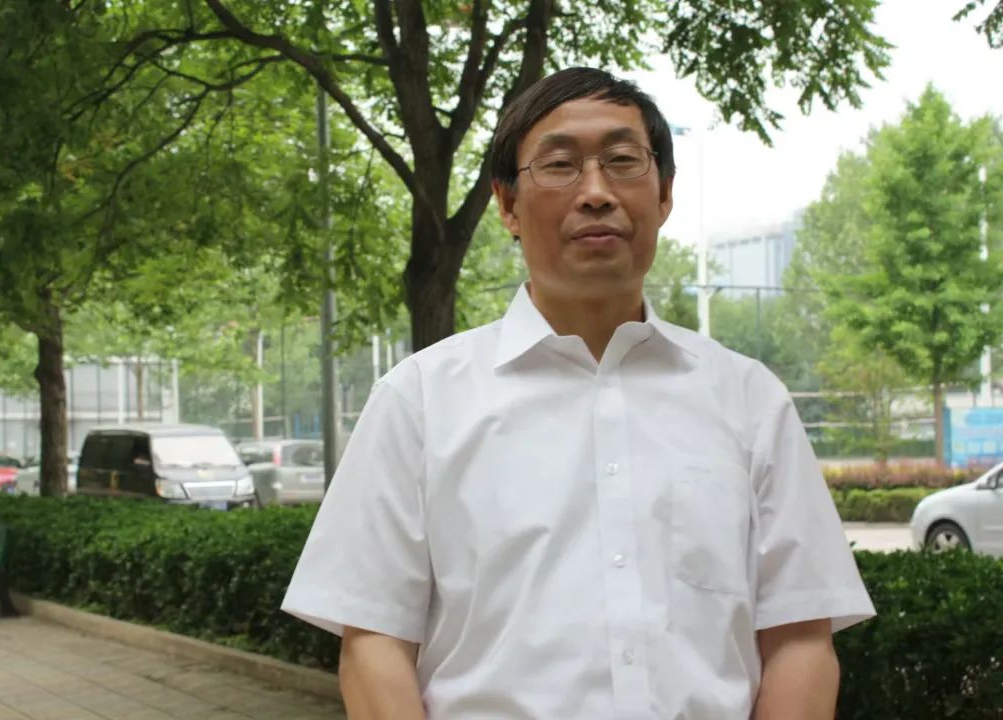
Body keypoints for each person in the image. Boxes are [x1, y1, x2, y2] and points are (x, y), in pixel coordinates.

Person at [282, 67, 875, 719]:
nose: (596, 193)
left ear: (664, 193)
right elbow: (374, 643)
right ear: (507, 205)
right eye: (560, 165)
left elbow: (800, 638)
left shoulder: (750, 400)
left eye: (623, 161)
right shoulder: (418, 401)